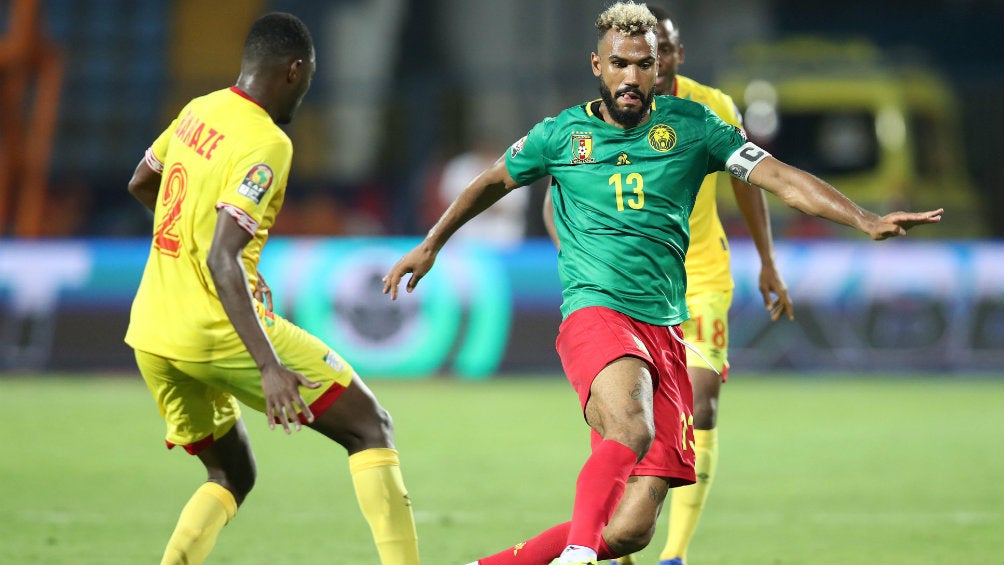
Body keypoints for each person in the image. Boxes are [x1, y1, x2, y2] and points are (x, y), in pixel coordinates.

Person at [382, 3, 941, 565]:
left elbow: (779, 178)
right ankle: (577, 554)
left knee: (630, 532)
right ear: (596, 65)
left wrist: (863, 218)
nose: (631, 77)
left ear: (659, 66)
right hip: (597, 314)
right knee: (631, 428)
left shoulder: (695, 127)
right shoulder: (560, 134)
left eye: (643, 64)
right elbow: (493, 182)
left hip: (666, 327)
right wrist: (432, 242)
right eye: (619, 64)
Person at [124, 13, 419, 565]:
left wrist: (186, 237)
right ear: (295, 70)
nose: (306, 91)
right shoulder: (268, 142)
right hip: (217, 330)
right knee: (369, 427)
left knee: (231, 471)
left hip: (152, 332)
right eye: (307, 81)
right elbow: (221, 257)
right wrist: (267, 366)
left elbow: (144, 181)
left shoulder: (198, 109)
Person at [541, 6, 792, 565]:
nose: (662, 61)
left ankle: (674, 554)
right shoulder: (595, 122)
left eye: (666, 51)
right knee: (629, 422)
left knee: (700, 406)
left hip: (699, 275)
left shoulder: (707, 109)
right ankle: (615, 542)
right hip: (623, 289)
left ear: (668, 55)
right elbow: (555, 193)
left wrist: (767, 260)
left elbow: (752, 179)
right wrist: (584, 257)